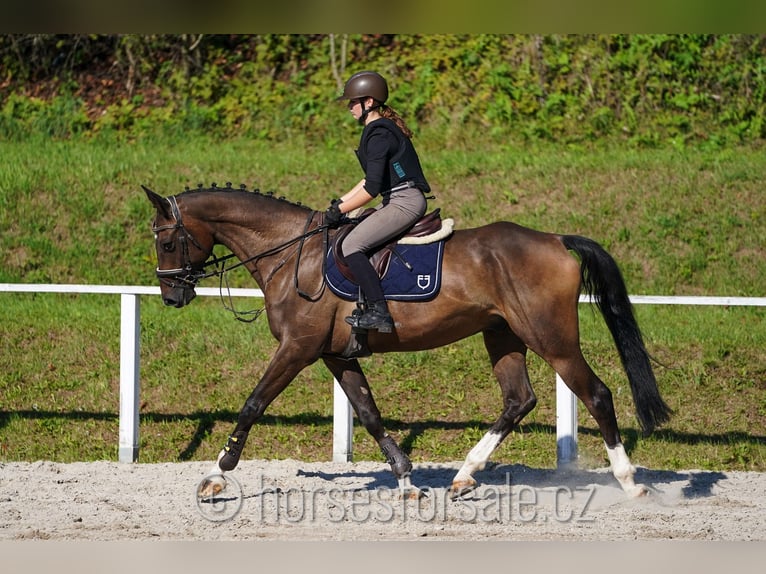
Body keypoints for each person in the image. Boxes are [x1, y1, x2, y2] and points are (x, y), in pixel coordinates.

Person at [325, 70, 431, 333]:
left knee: (351, 245)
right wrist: (340, 203)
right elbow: (368, 180)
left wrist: (341, 209)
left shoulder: (378, 133)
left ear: (369, 102)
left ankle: (379, 312)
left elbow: (371, 189)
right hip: (395, 197)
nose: (349, 107)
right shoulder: (378, 129)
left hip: (403, 200)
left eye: (353, 102)